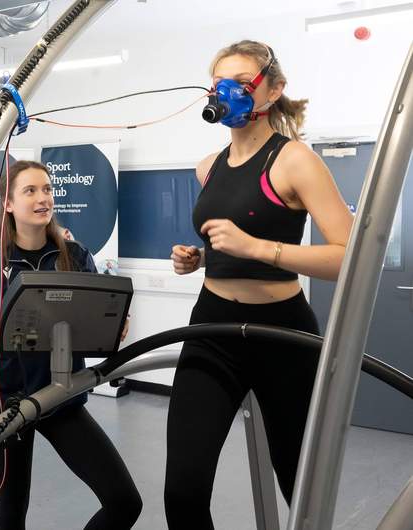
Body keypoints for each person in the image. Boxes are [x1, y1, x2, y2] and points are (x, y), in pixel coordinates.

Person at [166, 40, 353, 528]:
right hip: (213, 326)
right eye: (218, 84)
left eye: (240, 83)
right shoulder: (207, 167)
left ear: (273, 89)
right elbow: (230, 239)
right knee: (182, 488)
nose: (227, 94)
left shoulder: (294, 161)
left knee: (298, 480)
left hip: (282, 333)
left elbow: (350, 257)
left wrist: (257, 248)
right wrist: (201, 257)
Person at [0, 160, 142, 530]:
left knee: (124, 501)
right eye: (30, 191)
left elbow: (99, 328)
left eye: (47, 190)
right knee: (12, 510)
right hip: (8, 404)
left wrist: (115, 328)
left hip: (61, 399)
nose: (43, 198)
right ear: (8, 203)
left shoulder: (75, 256)